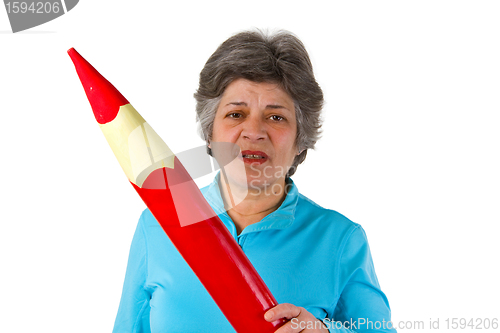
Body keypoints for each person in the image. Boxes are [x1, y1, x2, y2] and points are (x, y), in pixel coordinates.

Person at [113, 30, 396, 333]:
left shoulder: (340, 240)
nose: (254, 132)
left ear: (301, 140)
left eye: (276, 117)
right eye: (236, 114)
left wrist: (328, 332)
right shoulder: (156, 226)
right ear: (210, 134)